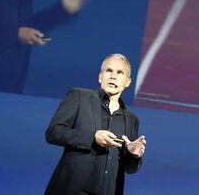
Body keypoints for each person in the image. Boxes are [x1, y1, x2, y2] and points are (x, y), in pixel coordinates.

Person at [45, 53, 146, 195]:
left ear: (128, 82)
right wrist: (93, 138)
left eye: (120, 72)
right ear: (100, 76)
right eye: (109, 70)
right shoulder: (79, 97)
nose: (113, 76)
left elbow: (129, 169)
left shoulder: (131, 119)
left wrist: (134, 155)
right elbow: (53, 132)